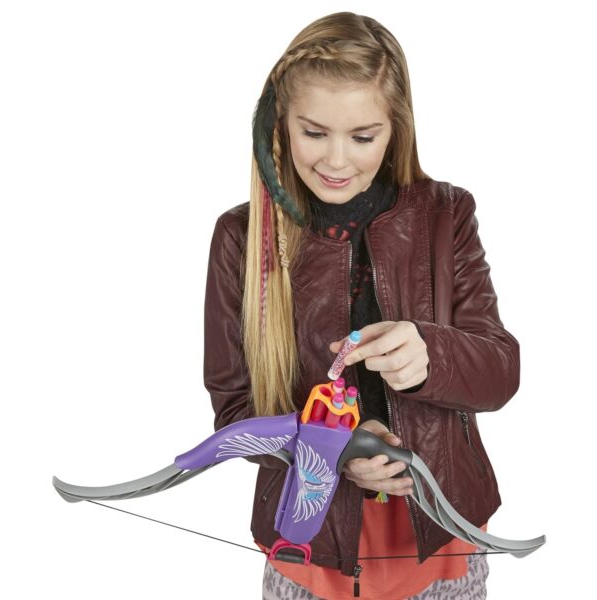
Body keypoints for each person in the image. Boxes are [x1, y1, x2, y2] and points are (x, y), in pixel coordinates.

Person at [203, 11, 518, 600]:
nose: (336, 160)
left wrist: (431, 355)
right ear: (279, 124)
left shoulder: (447, 215)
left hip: (439, 536)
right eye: (314, 132)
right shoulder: (240, 238)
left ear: (396, 128)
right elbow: (235, 414)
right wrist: (329, 450)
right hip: (309, 544)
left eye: (363, 137)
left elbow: (501, 371)